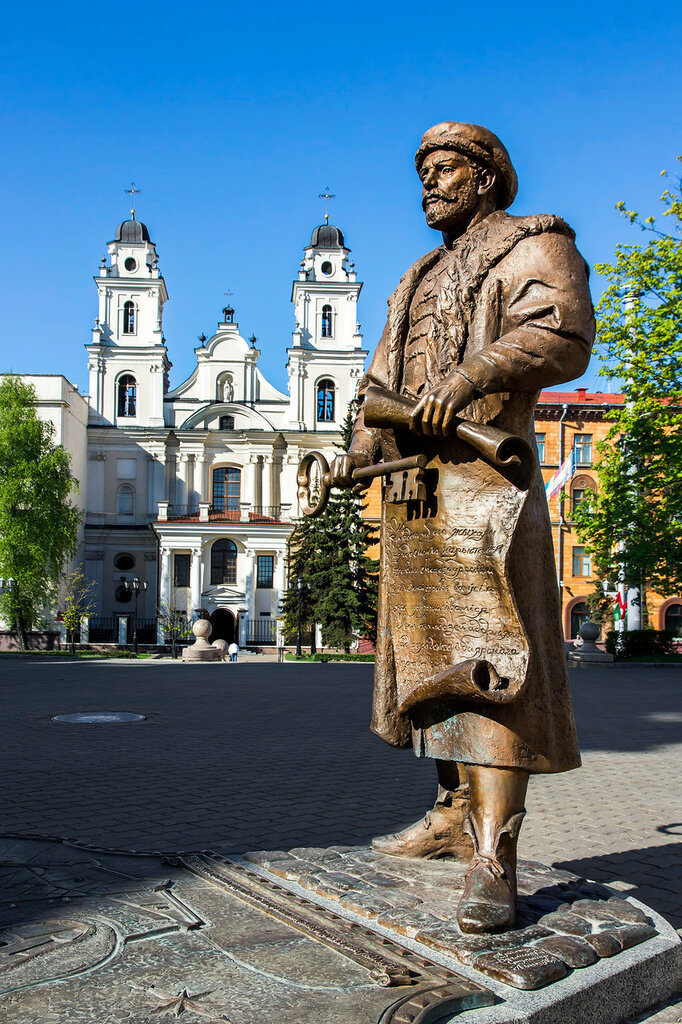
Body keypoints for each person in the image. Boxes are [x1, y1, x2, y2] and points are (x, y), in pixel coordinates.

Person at [329, 122, 595, 934]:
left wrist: (470, 374)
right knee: (427, 662)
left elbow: (562, 333)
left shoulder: (534, 244)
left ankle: (495, 858)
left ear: (486, 178)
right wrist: (358, 446)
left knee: (491, 661)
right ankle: (451, 815)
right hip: (413, 495)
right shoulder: (416, 275)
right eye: (422, 173)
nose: (429, 186)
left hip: (487, 488)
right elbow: (381, 377)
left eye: (445, 170)